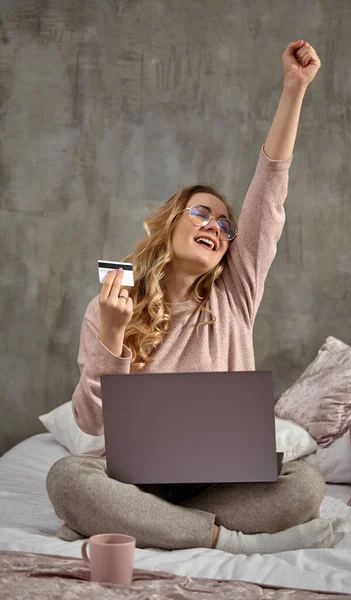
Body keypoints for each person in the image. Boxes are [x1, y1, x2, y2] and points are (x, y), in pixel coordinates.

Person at [47, 40, 333, 555]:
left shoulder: (235, 295)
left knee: (307, 487)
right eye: (202, 214)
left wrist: (295, 89)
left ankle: (144, 526)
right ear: (171, 223)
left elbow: (270, 190)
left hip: (219, 483)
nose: (217, 227)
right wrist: (112, 336)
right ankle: (225, 541)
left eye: (226, 224)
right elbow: (89, 423)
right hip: (136, 484)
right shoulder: (111, 303)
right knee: (67, 478)